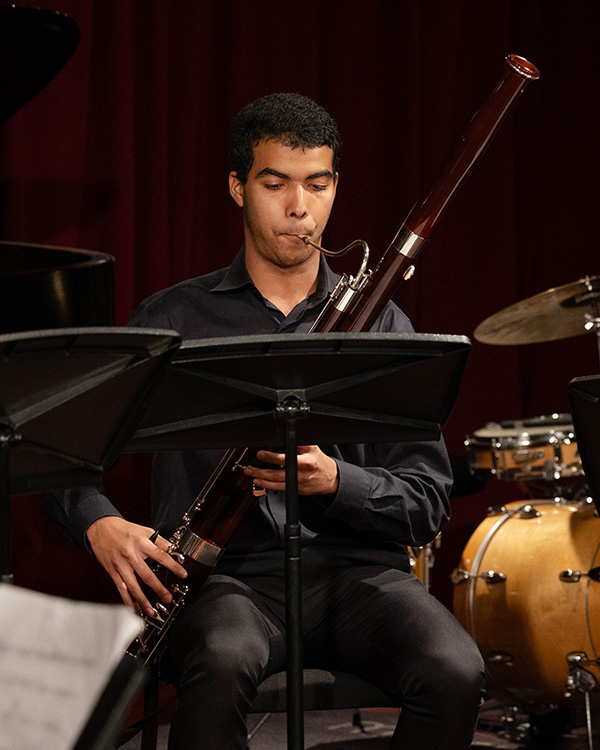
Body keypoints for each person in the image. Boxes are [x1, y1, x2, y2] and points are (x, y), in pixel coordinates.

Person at [44, 92, 485, 749]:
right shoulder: (174, 321)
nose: (299, 208)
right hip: (225, 579)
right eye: (275, 183)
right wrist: (100, 525)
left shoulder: (384, 324)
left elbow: (426, 502)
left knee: (457, 668)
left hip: (356, 575)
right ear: (238, 187)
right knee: (220, 662)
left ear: (336, 188)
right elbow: (55, 451)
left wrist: (335, 481)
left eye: (317, 184)